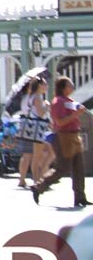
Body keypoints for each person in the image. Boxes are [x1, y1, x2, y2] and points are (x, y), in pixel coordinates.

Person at [33, 77, 90, 208]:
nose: (73, 87)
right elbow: (59, 122)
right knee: (62, 168)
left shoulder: (69, 101)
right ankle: (39, 187)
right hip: (63, 137)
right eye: (70, 85)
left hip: (74, 136)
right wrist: (76, 114)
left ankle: (80, 197)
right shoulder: (58, 102)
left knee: (79, 168)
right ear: (63, 88)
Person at [26, 79, 54, 184]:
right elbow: (41, 113)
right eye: (45, 84)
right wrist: (47, 106)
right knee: (38, 154)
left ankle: (40, 175)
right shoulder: (37, 97)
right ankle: (37, 178)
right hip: (38, 128)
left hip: (38, 128)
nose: (47, 86)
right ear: (39, 85)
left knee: (48, 152)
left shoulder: (35, 97)